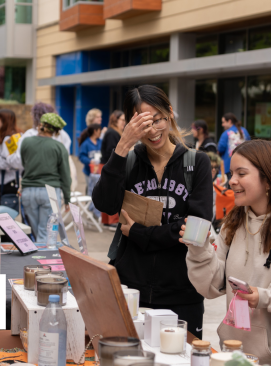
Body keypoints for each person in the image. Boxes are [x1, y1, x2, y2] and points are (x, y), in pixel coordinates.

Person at [183, 140, 271, 365]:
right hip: (232, 356)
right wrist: (199, 250)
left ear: (268, 179)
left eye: (241, 173)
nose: (232, 181)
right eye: (231, 173)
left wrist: (264, 297)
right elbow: (211, 285)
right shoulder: (233, 223)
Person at [92, 85, 213, 338]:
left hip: (182, 292)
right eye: (143, 124)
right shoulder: (129, 162)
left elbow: (195, 229)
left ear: (169, 113)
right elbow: (104, 204)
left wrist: (137, 232)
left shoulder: (197, 162)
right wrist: (123, 146)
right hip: (130, 290)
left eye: (157, 119)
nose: (153, 131)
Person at [20, 113, 71, 242]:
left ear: (40, 125)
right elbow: (65, 175)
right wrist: (67, 198)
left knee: (34, 232)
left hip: (28, 190)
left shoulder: (26, 142)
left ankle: (35, 259)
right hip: (51, 192)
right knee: (48, 235)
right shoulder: (59, 147)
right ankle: (44, 261)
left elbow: (24, 164)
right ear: (56, 130)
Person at [7, 102, 72, 170]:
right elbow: (65, 158)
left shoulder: (29, 135)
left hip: (33, 176)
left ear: (37, 117)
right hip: (56, 176)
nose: (31, 116)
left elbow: (19, 160)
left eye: (32, 114)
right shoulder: (63, 134)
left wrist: (9, 158)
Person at [100, 110, 126, 230]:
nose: (124, 123)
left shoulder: (113, 132)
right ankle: (112, 221)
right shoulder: (112, 133)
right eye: (122, 120)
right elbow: (111, 150)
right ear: (116, 120)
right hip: (109, 165)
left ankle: (107, 220)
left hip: (106, 164)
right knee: (111, 191)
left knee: (107, 191)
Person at [79, 123, 102, 219]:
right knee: (91, 192)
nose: (100, 132)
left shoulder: (101, 142)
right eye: (99, 130)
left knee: (99, 192)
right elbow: (81, 157)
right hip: (89, 172)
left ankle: (97, 212)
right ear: (95, 131)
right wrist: (90, 161)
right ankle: (91, 211)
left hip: (99, 172)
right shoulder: (86, 144)